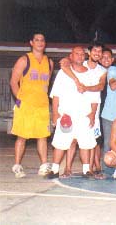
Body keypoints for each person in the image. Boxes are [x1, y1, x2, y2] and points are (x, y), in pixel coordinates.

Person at [46, 46, 98, 179]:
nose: (80, 56)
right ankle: (55, 169)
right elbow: (56, 95)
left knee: (85, 143)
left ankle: (86, 170)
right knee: (60, 142)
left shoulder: (91, 74)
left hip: (84, 115)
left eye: (82, 54)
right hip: (66, 115)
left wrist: (92, 114)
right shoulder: (63, 73)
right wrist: (55, 113)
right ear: (71, 55)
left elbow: (95, 97)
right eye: (77, 54)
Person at [60, 42, 107, 178]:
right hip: (75, 109)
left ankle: (89, 169)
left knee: (91, 141)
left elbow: (101, 86)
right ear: (89, 52)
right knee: (72, 139)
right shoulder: (80, 63)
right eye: (95, 50)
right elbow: (64, 64)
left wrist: (85, 88)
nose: (97, 53)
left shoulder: (102, 71)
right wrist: (66, 60)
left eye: (100, 51)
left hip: (92, 110)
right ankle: (67, 168)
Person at [10, 33, 54, 178]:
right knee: (22, 136)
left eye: (42, 40)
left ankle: (43, 165)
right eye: (37, 40)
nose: (40, 42)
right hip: (26, 105)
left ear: (45, 43)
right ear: (31, 42)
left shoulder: (50, 62)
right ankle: (17, 166)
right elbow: (13, 82)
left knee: (42, 136)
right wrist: (19, 101)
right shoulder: (24, 59)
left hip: (42, 105)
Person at [92, 48, 114, 175]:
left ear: (112, 59)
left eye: (108, 57)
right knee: (97, 140)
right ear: (99, 59)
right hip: (96, 111)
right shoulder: (95, 72)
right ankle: (97, 165)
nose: (106, 60)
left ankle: (111, 164)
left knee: (110, 140)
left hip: (110, 112)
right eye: (103, 57)